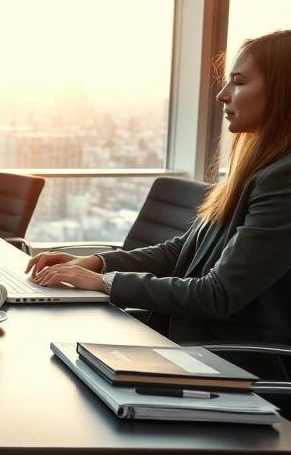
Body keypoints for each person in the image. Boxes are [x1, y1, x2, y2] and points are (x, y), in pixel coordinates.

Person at [27, 29, 291, 379]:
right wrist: (95, 262)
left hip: (229, 364)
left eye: (239, 82)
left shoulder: (283, 179)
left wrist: (104, 283)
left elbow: (217, 294)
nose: (222, 95)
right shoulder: (258, 169)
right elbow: (181, 251)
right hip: (184, 344)